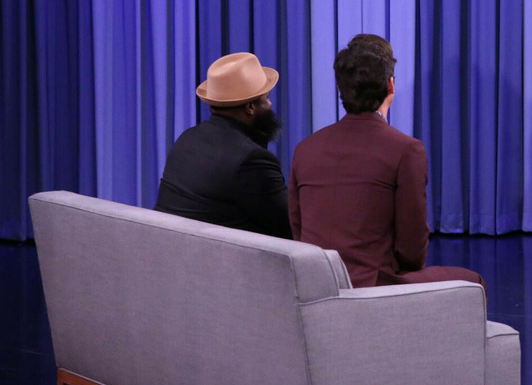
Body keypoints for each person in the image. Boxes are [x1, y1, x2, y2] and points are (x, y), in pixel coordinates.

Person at [288, 34, 483, 289]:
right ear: (391, 85)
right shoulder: (406, 150)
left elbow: (297, 230)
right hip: (374, 287)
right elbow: (412, 250)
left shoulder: (305, 149)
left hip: (315, 285)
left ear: (342, 89)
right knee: (474, 283)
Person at [155, 52, 292, 239]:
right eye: (266, 98)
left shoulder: (187, 139)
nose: (270, 104)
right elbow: (291, 227)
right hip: (214, 256)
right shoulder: (251, 160)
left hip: (165, 250)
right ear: (250, 107)